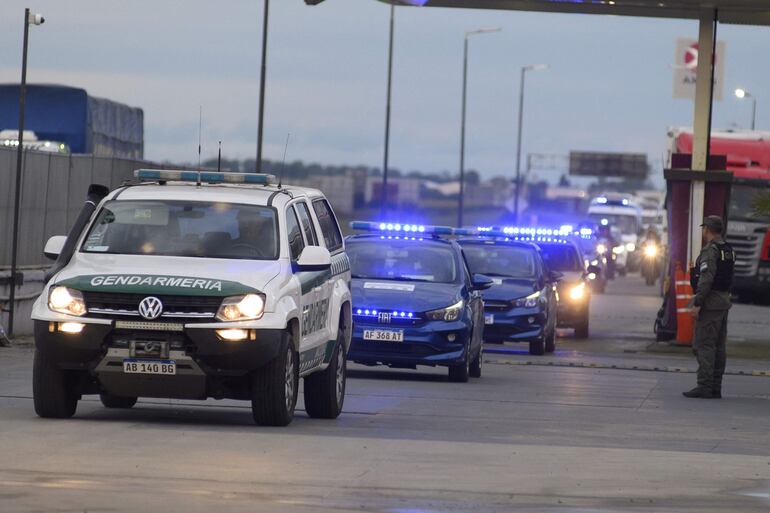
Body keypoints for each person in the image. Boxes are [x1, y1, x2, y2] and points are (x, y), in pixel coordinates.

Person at [683, 216, 735, 399]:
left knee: (704, 344)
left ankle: (704, 385)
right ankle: (715, 386)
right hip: (723, 301)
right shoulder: (727, 250)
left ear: (707, 229)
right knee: (719, 346)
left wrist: (698, 302)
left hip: (710, 303)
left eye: (704, 228)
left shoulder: (710, 251)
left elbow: (706, 279)